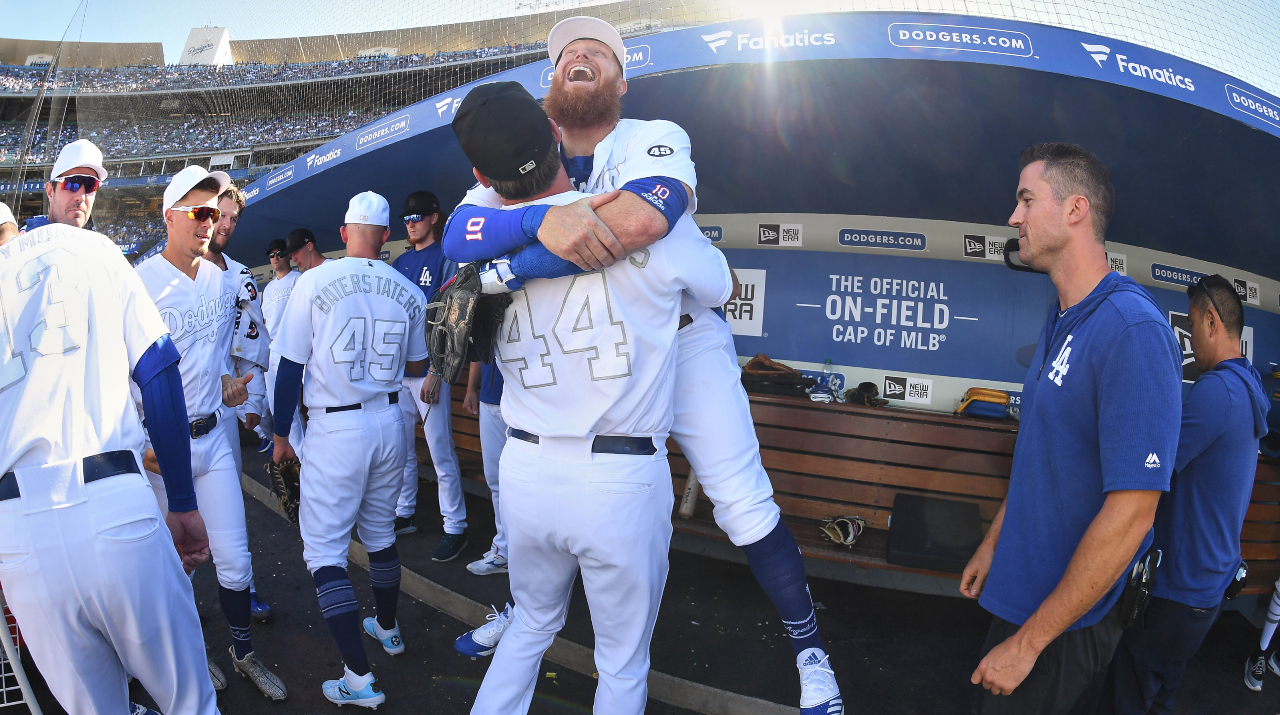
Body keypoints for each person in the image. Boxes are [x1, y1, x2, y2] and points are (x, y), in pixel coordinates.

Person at [442, 17, 842, 713]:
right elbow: (457, 232)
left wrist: (511, 263)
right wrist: (541, 223)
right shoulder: (519, 165)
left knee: (742, 502)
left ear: (621, 83)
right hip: (595, 358)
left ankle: (810, 651)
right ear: (547, 89)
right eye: (568, 52)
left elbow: (645, 220)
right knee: (556, 501)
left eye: (600, 52)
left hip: (679, 336)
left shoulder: (650, 136)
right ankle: (530, 610)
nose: (583, 55)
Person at [452, 80, 733, 715]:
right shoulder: (631, 214)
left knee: (528, 626)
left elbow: (459, 239)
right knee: (622, 668)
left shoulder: (483, 243)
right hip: (620, 475)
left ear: (479, 174)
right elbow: (720, 286)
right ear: (555, 133)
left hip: (525, 470)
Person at [959, 143, 1182, 714]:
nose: (1014, 218)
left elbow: (1133, 513)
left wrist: (1030, 644)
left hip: (1065, 623)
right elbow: (1043, 456)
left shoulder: (1132, 329)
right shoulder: (1061, 313)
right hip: (1021, 590)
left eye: (1026, 199)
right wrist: (993, 545)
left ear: (1075, 209)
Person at [0, 221, 218, 714]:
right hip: (110, 499)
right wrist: (182, 501)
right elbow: (158, 371)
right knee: (191, 705)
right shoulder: (94, 247)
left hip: (16, 530)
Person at [134, 165, 287, 700]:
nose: (207, 223)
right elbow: (122, 376)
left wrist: (229, 385)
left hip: (216, 440)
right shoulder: (138, 284)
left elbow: (216, 358)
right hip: (162, 448)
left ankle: (242, 653)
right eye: (197, 212)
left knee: (236, 559)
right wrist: (139, 442)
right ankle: (190, 653)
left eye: (213, 212)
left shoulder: (223, 280)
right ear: (170, 215)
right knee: (176, 566)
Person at [271, 192, 428, 708]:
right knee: (381, 534)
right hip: (389, 420)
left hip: (336, 427)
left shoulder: (312, 281)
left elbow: (290, 367)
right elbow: (413, 368)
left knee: (324, 553)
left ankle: (358, 679)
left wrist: (278, 435)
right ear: (386, 235)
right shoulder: (406, 286)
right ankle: (387, 627)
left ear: (344, 233)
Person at [1097, 274, 1266, 710]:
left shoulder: (1218, 392)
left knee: (1129, 694)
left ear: (1212, 321)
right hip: (1207, 590)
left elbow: (1152, 467)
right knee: (1161, 696)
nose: (1190, 338)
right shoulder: (1247, 389)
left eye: (1193, 325)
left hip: (1178, 589)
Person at [203, 183, 275, 622]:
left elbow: (255, 348)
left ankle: (242, 588)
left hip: (221, 412)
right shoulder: (161, 274)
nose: (225, 225)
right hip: (170, 415)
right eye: (220, 215)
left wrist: (253, 402)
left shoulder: (239, 276)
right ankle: (178, 607)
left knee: (228, 511)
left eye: (232, 219)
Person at [388, 190, 467, 563]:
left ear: (435, 217)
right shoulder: (400, 261)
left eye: (417, 216)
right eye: (406, 218)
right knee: (402, 451)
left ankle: (455, 526)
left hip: (430, 370)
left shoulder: (446, 258)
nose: (411, 223)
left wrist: (438, 369)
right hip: (400, 372)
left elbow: (453, 318)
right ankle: (405, 512)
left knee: (440, 453)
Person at [463, 360, 509, 577]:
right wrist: (471, 388)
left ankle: (510, 551)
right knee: (494, 478)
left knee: (518, 482)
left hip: (519, 400)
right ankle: (503, 549)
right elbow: (481, 349)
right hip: (489, 397)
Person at [261, 236, 303, 456]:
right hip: (271, 352)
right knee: (276, 409)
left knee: (291, 408)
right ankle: (284, 449)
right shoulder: (267, 289)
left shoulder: (298, 279)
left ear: (288, 255)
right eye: (272, 255)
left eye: (279, 253)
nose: (275, 258)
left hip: (291, 349)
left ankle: (301, 454)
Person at [21, 139, 107, 232]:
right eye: (71, 183)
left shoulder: (95, 245)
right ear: (50, 191)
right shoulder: (22, 243)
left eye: (91, 185)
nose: (81, 197)